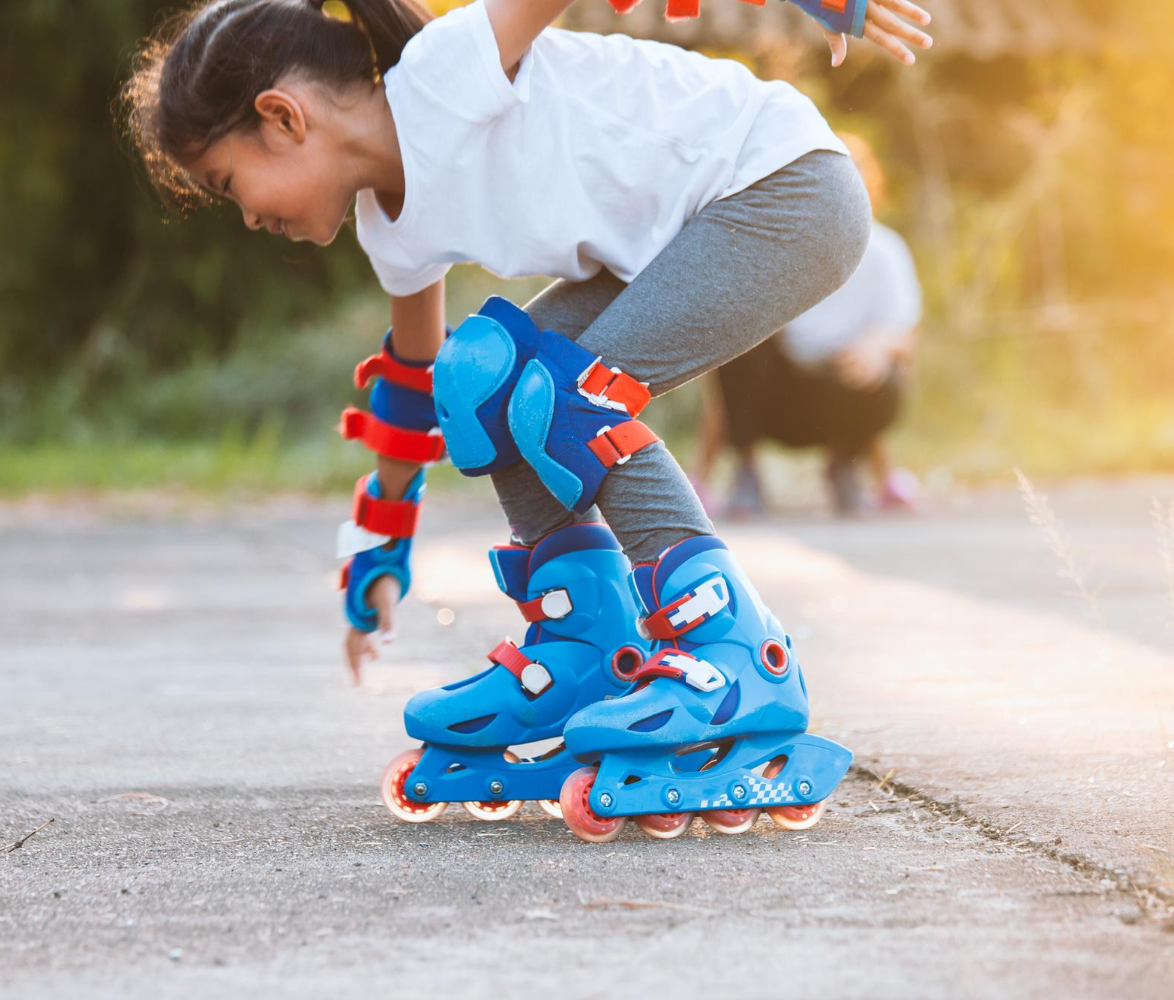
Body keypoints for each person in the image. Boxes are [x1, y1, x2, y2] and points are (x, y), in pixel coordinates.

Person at [125, 0, 931, 835]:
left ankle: (739, 658)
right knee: (479, 382)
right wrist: (377, 549)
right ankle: (588, 652)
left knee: (569, 401)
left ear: (281, 117)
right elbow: (412, 383)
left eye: (229, 185)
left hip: (782, 188)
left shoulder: (447, 69)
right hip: (676, 238)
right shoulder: (390, 229)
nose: (250, 218)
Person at [695, 131, 924, 517]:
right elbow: (731, 363)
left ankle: (846, 466)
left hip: (843, 391)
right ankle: (746, 472)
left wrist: (878, 346)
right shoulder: (777, 247)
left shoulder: (886, 251)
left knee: (874, 368)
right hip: (782, 399)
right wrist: (699, 474)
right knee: (737, 341)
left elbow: (904, 335)